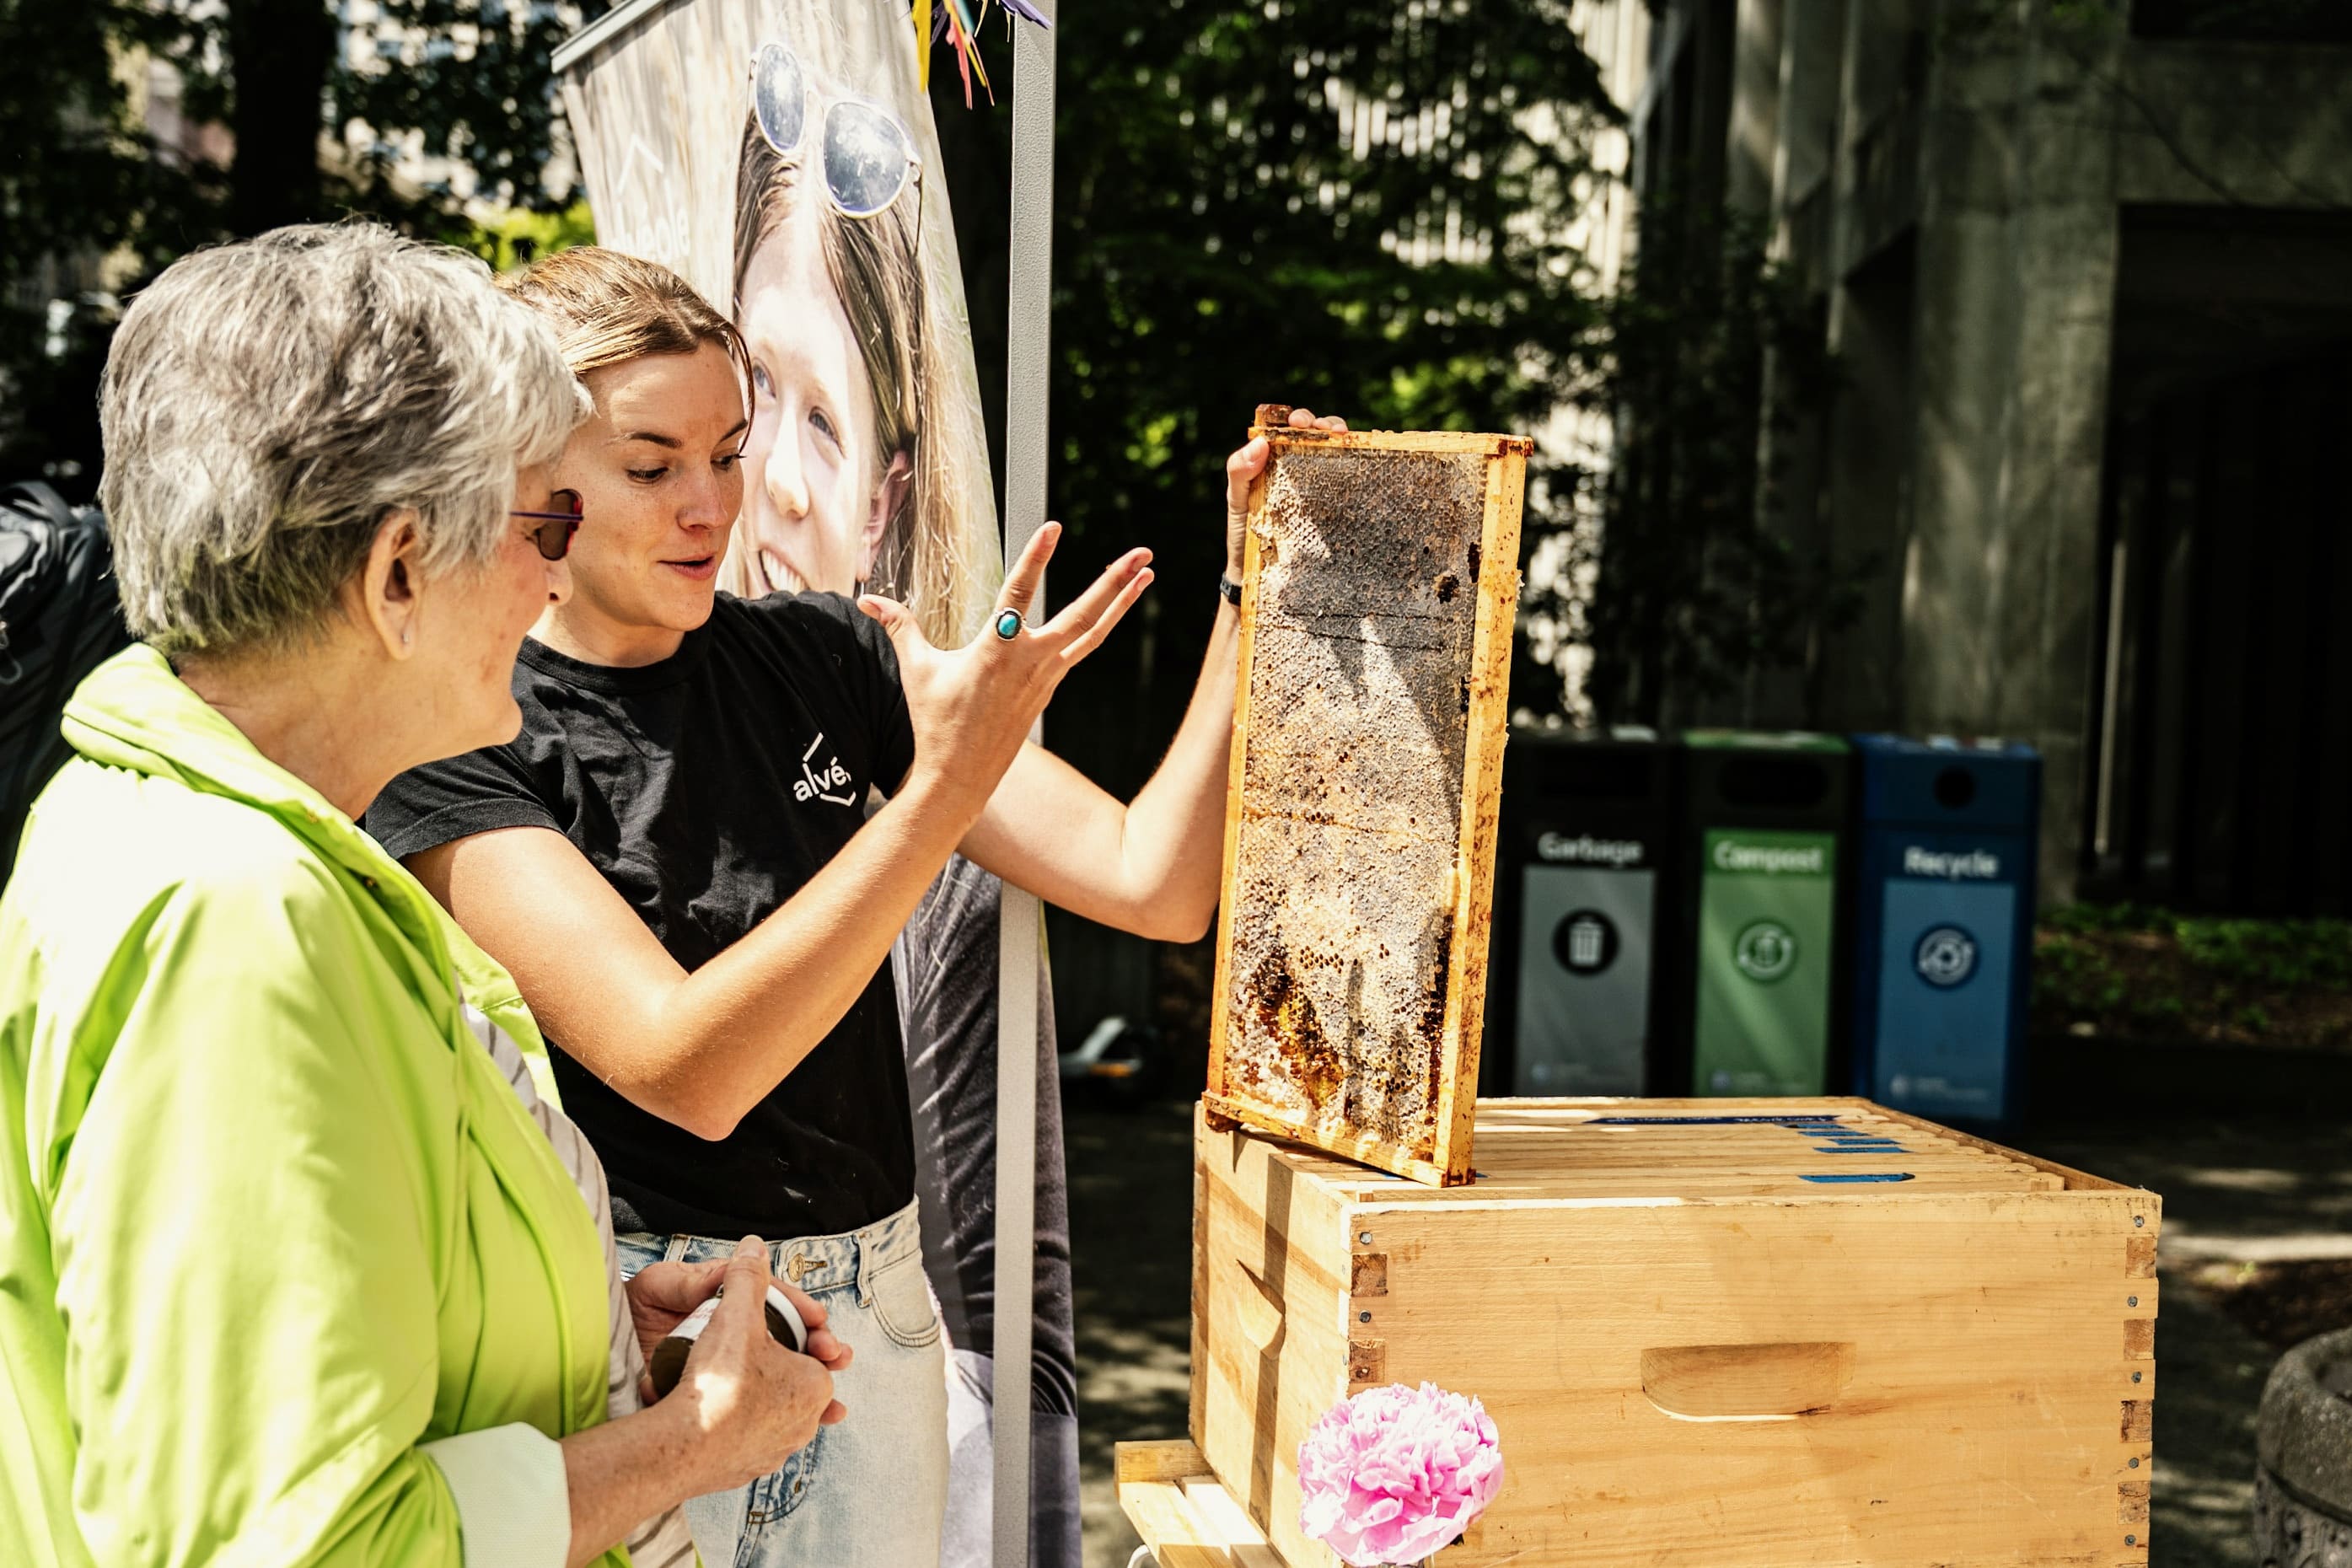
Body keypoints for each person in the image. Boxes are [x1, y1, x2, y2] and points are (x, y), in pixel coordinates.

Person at [362, 228, 1340, 1568]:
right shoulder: (462, 728)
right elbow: (686, 1064)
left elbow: (1151, 884)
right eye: (649, 467)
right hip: (644, 1335)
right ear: (521, 475)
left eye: (728, 448)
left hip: (877, 1317)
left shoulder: (819, 653)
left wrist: (1255, 578)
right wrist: (940, 793)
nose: (710, 503)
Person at [0, 223, 848, 1568]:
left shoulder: (183, 823)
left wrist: (586, 1337)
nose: (548, 575)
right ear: (399, 573)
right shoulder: (237, 919)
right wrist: (691, 1442)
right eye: (540, 518)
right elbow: (288, 1546)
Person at [728, 56, 1079, 1564]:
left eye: (822, 419)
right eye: (746, 396)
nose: (757, 482)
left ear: (889, 492)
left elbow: (1152, 879)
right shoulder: (530, 747)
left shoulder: (923, 782)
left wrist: (1255, 582)